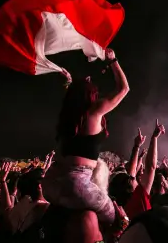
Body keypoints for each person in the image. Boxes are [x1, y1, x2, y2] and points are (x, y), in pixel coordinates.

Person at [42, 48, 129, 224]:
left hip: (50, 183)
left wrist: (70, 83)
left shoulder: (69, 115)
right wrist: (113, 60)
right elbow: (123, 88)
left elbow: (72, 98)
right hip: (76, 185)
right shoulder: (93, 112)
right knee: (118, 219)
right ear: (90, 95)